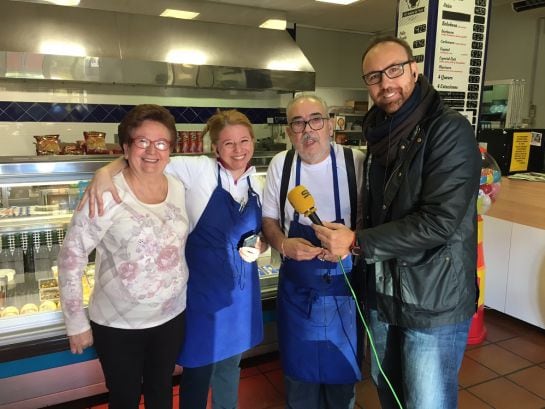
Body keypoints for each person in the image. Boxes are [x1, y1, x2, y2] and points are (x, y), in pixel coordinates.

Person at [313, 36, 482, 409]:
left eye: (394, 70)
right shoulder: (378, 133)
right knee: (390, 396)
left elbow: (440, 221)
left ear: (413, 69)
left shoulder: (448, 129)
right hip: (384, 294)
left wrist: (356, 241)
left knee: (426, 403)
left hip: (432, 300)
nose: (386, 83)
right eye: (374, 77)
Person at [79, 109, 266, 409]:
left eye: (244, 141)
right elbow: (148, 158)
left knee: (230, 368)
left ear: (253, 142)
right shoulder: (197, 170)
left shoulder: (257, 183)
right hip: (202, 294)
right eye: (228, 143)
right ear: (215, 146)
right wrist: (106, 170)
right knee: (198, 370)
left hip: (240, 294)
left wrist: (262, 246)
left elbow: (262, 232)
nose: (238, 150)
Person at [58, 104, 189, 409]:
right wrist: (76, 322)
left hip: (171, 316)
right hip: (119, 324)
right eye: (141, 141)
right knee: (124, 398)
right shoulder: (105, 193)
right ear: (126, 147)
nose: (152, 151)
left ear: (170, 149)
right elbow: (72, 256)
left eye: (161, 143)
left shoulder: (179, 187)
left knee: (161, 392)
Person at [261, 94, 364, 409]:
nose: (308, 130)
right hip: (297, 294)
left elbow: (368, 222)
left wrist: (351, 244)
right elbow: (270, 220)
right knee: (299, 384)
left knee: (341, 383)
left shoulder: (355, 161)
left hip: (345, 294)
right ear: (290, 131)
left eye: (316, 120)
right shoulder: (282, 164)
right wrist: (283, 244)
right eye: (298, 123)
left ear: (330, 125)